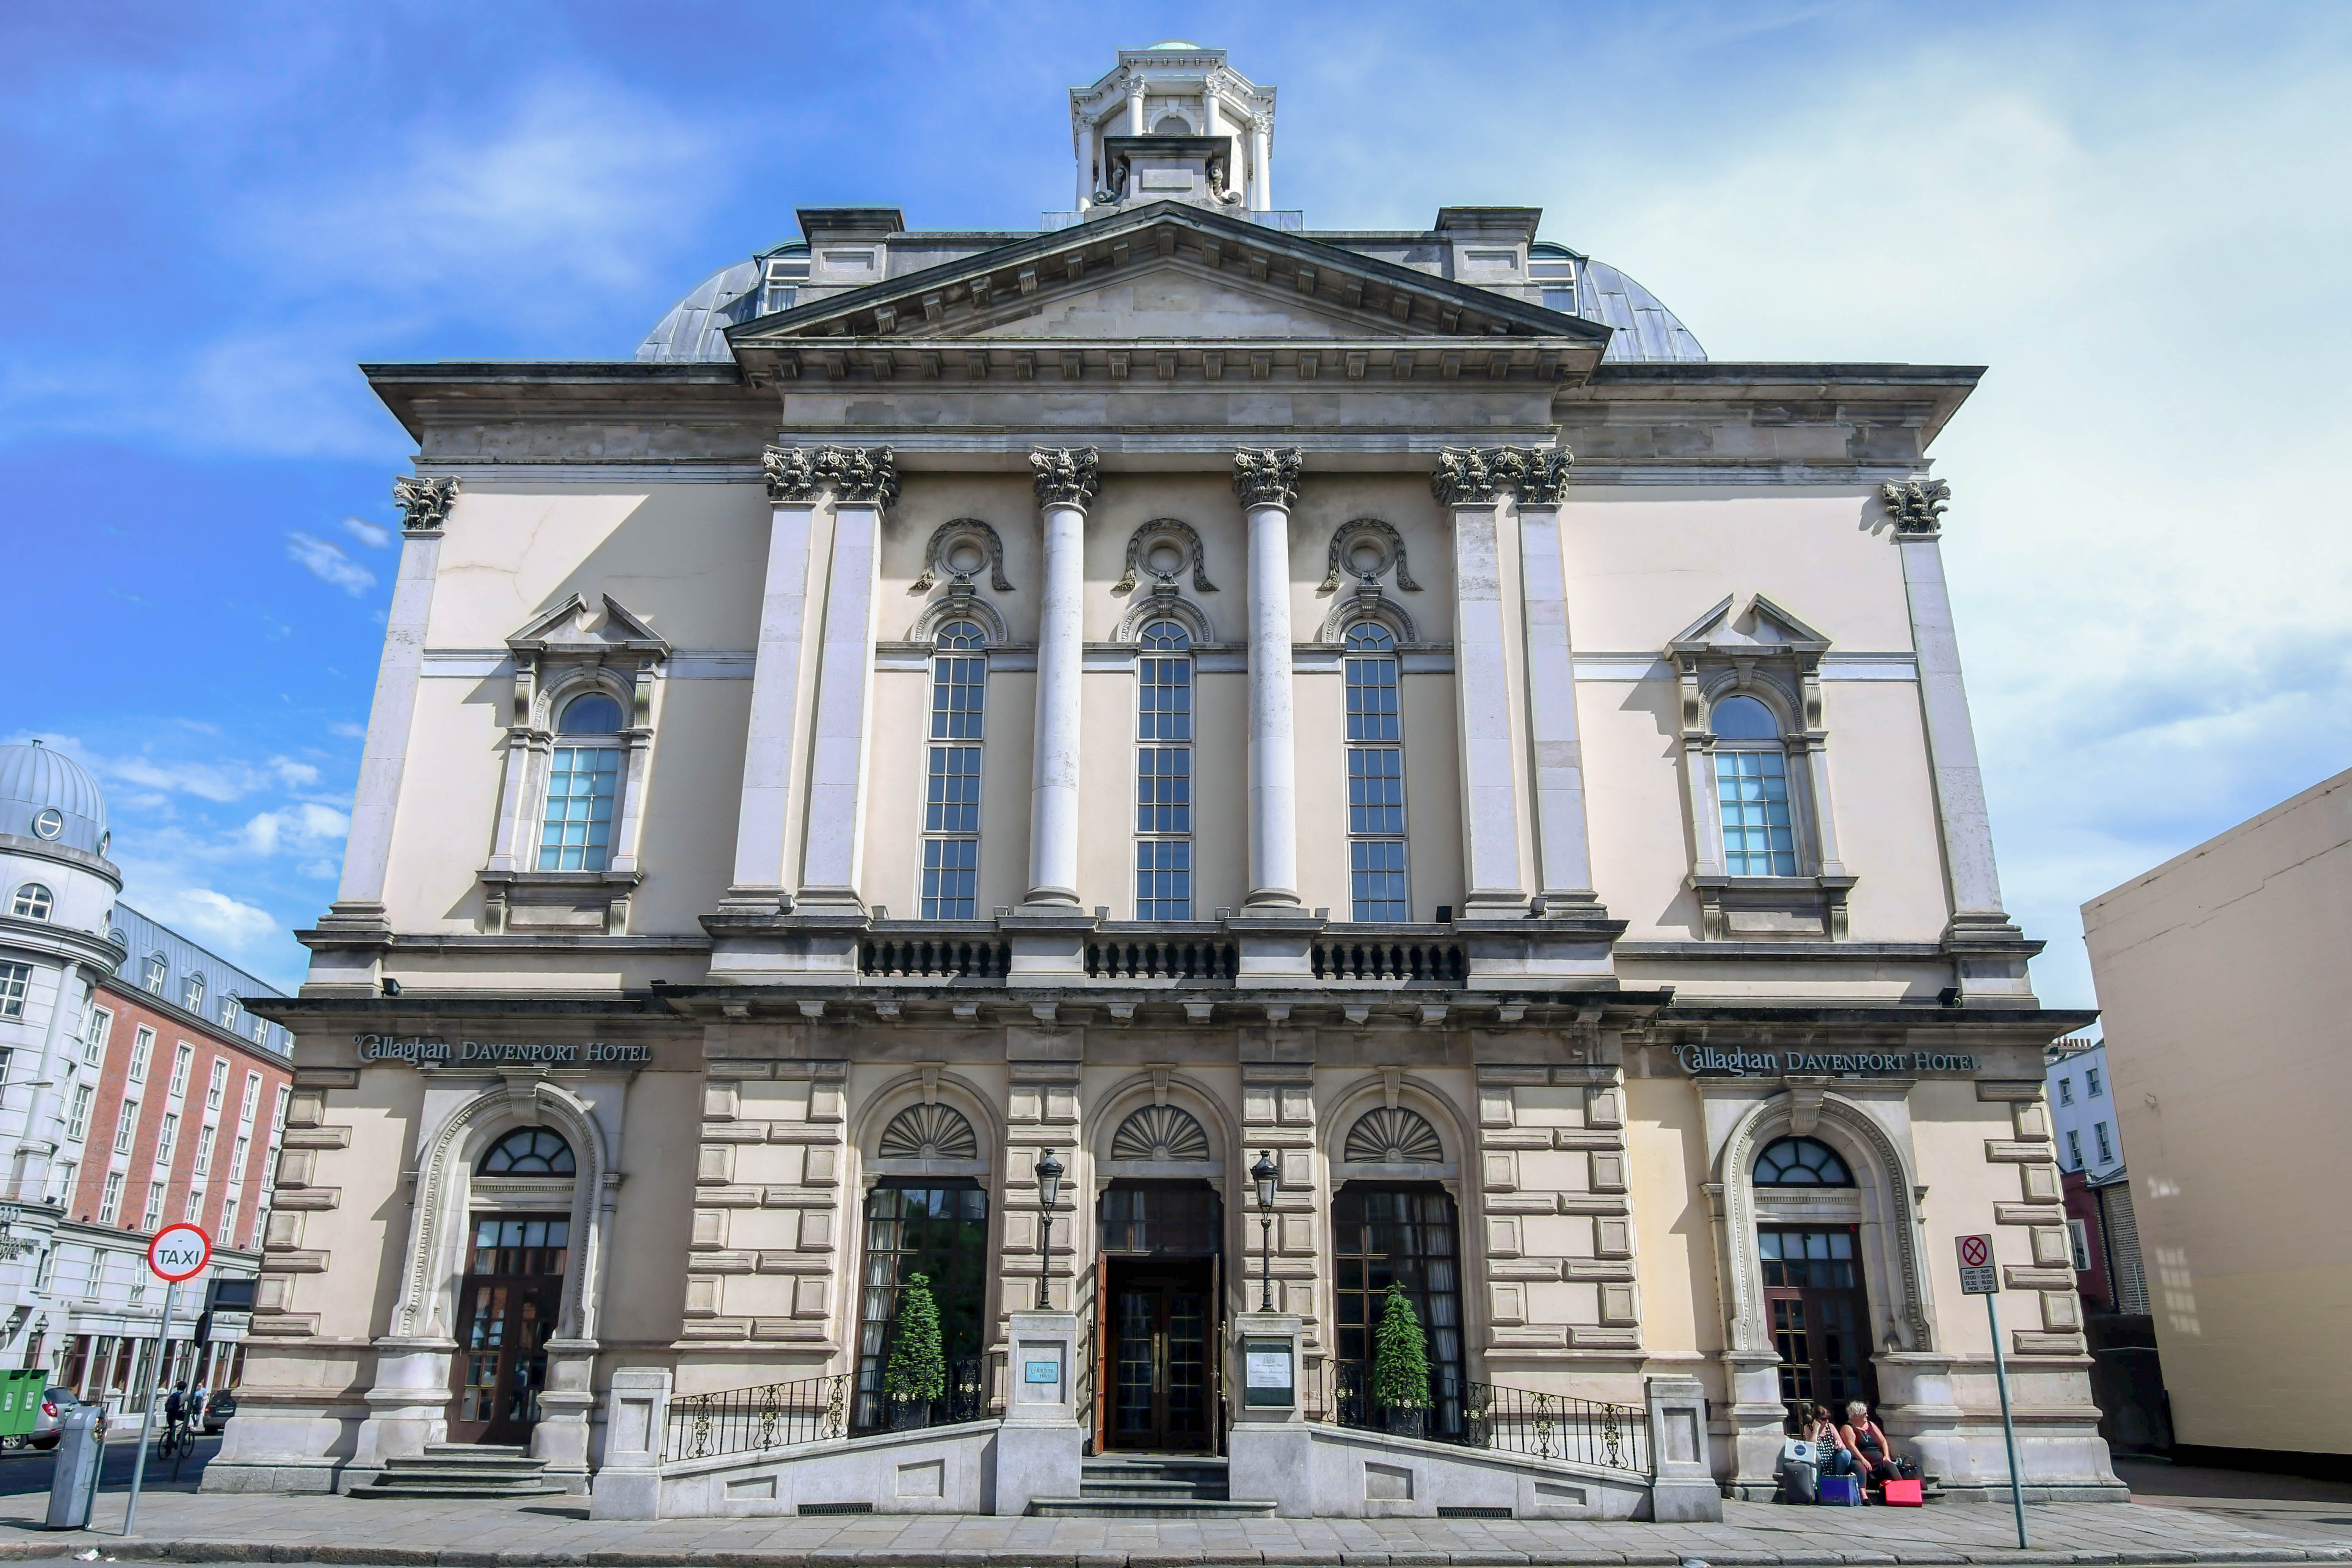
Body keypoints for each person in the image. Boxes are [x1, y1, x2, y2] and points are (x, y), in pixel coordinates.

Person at [1839, 1400, 1902, 1489]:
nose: (1867, 1416)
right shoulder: (1848, 1427)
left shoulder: (1871, 1425)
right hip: (1860, 1459)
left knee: (1891, 1466)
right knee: (1859, 1467)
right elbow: (1851, 1446)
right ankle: (1863, 1495)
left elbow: (1883, 1441)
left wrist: (1886, 1456)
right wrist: (1863, 1460)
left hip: (1879, 1460)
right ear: (1856, 1415)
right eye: (1864, 1414)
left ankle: (1902, 1492)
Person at [1802, 1403, 1854, 1474]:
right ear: (1816, 1419)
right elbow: (1811, 1447)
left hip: (1832, 1459)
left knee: (1846, 1453)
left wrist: (1840, 1447)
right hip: (1818, 1462)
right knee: (1815, 1455)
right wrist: (1816, 1430)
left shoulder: (1830, 1426)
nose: (1827, 1421)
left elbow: (1844, 1447)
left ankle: (1837, 1479)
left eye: (1828, 1419)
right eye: (1824, 1419)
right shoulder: (1808, 1428)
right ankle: (1818, 1483)